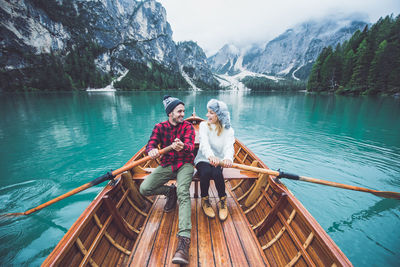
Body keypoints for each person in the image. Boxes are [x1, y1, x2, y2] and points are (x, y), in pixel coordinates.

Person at [139, 95, 195, 265]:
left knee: (183, 193)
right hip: (167, 164)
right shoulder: (159, 127)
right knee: (144, 189)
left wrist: (183, 146)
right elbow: (151, 144)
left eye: (183, 111)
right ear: (170, 113)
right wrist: (151, 151)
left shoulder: (188, 127)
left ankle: (183, 243)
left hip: (185, 163)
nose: (182, 114)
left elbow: (191, 146)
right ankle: (169, 191)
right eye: (179, 111)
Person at [194, 99, 235, 221]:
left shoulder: (228, 130)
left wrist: (228, 158)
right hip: (203, 158)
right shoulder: (203, 126)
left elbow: (229, 146)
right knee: (206, 172)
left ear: (219, 114)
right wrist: (210, 156)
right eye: (208, 112)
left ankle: (222, 200)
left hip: (220, 160)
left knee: (217, 173)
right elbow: (204, 144)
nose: (207, 115)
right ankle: (205, 200)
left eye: (211, 112)